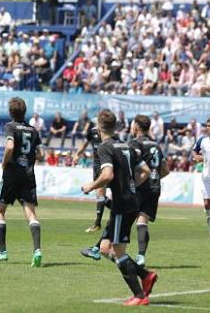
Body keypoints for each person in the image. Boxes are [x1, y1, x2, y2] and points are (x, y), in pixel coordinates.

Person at [80, 109, 155, 306]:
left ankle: (139, 295)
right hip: (131, 201)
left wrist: (91, 186)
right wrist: (131, 186)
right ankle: (145, 275)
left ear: (98, 126)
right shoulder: (126, 145)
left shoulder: (105, 147)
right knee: (105, 248)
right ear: (115, 126)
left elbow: (107, 176)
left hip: (122, 204)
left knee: (118, 250)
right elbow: (145, 171)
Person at [0, 97, 44, 267]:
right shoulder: (33, 130)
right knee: (31, 213)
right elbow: (41, 154)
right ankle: (37, 250)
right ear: (25, 112)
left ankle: (2, 252)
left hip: (12, 174)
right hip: (28, 175)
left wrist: (4, 162)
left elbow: (10, 147)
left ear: (10, 112)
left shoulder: (10, 127)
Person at [127, 115, 168, 267]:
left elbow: (131, 166)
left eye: (132, 125)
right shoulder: (156, 145)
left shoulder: (134, 143)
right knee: (142, 221)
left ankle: (106, 247)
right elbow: (165, 170)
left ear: (136, 127)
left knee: (124, 217)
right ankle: (141, 255)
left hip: (139, 187)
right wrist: (154, 179)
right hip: (154, 187)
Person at [73, 116, 106, 233]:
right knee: (100, 195)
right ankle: (122, 210)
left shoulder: (108, 133)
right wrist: (77, 154)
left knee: (101, 192)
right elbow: (85, 144)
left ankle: (97, 223)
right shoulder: (92, 132)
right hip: (96, 165)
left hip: (106, 165)